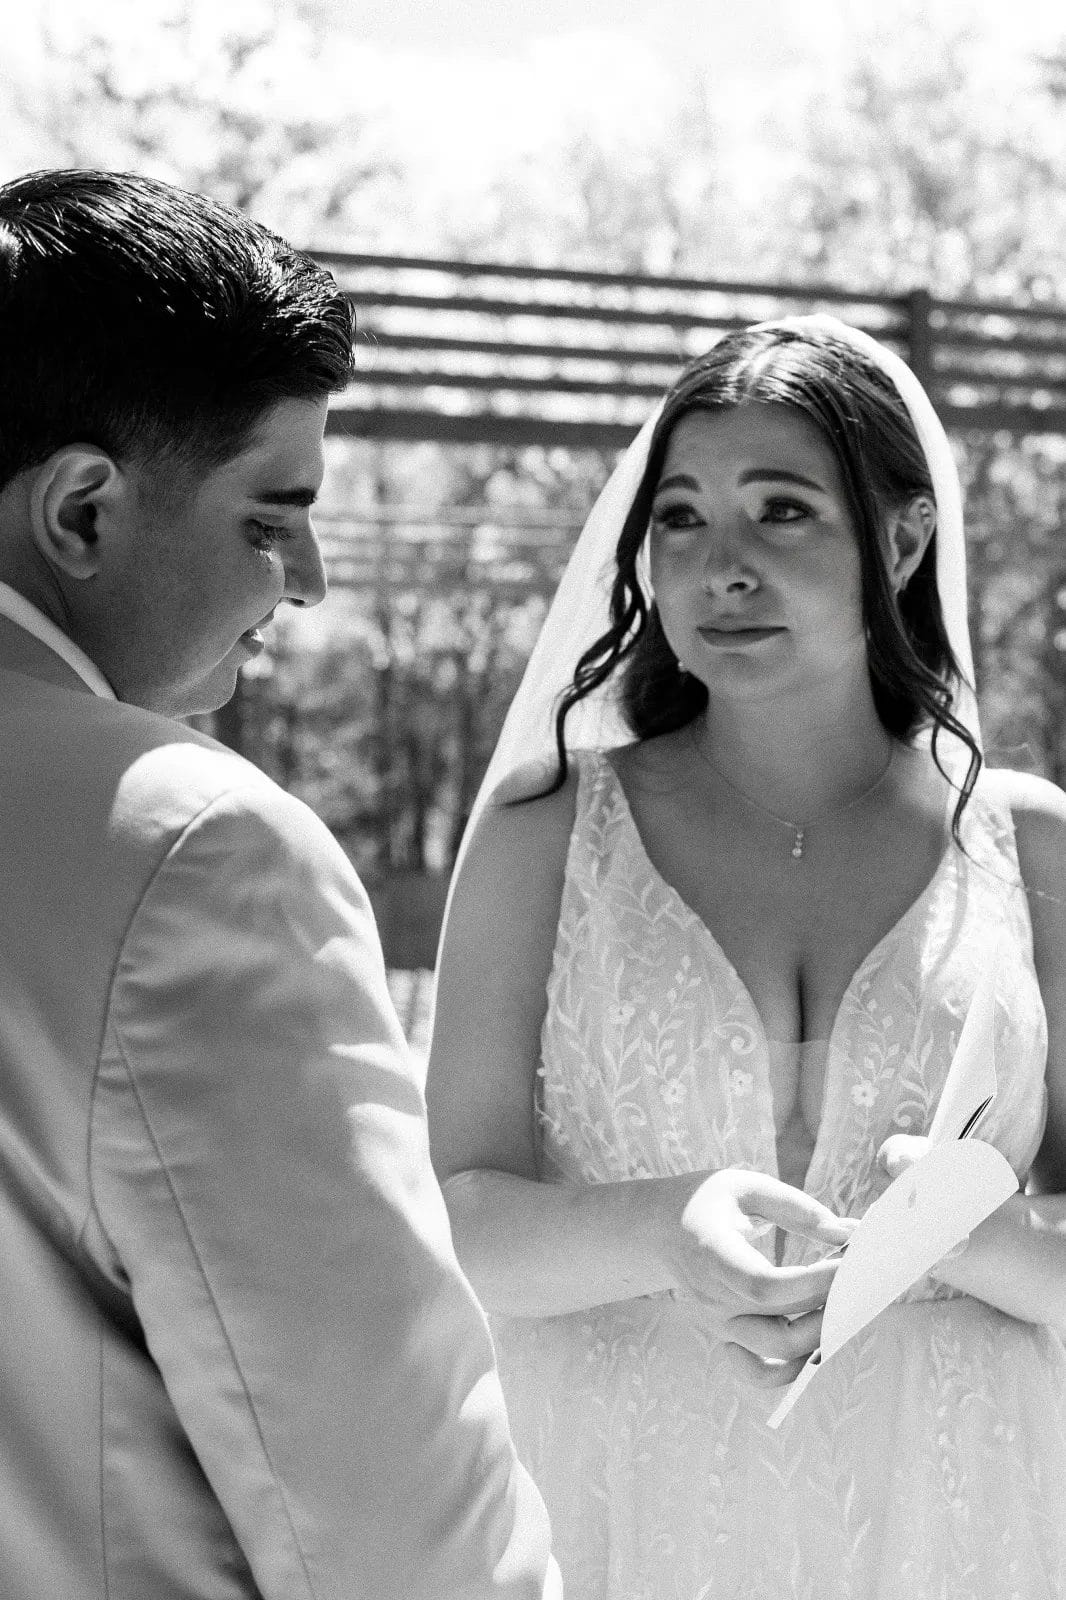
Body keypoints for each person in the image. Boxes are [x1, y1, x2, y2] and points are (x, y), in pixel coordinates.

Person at [428, 314, 1066, 1598]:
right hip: (621, 1505)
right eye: (680, 518)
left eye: (782, 511)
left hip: (963, 1515)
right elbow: (459, 1217)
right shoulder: (546, 832)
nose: (721, 566)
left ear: (901, 540)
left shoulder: (1028, 843)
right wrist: (655, 1228)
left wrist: (970, 1238)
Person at [0, 168, 560, 1600]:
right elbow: (390, 1509)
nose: (307, 578)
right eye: (271, 514)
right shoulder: (189, 847)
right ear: (81, 512)